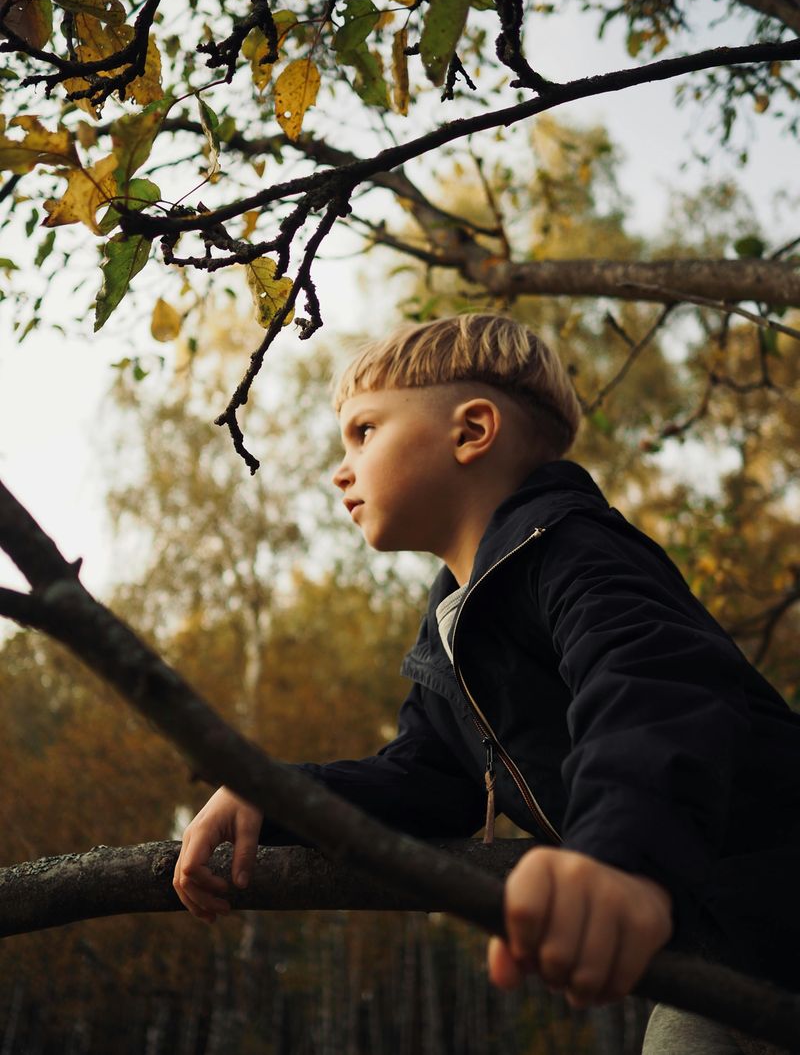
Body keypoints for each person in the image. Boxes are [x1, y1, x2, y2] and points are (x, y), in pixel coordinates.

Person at [173, 313, 800, 1053]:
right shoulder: (451, 630)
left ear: (472, 431)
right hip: (729, 955)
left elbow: (653, 689)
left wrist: (619, 858)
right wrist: (269, 794)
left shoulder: (571, 548)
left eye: (364, 431)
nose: (340, 469)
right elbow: (427, 778)